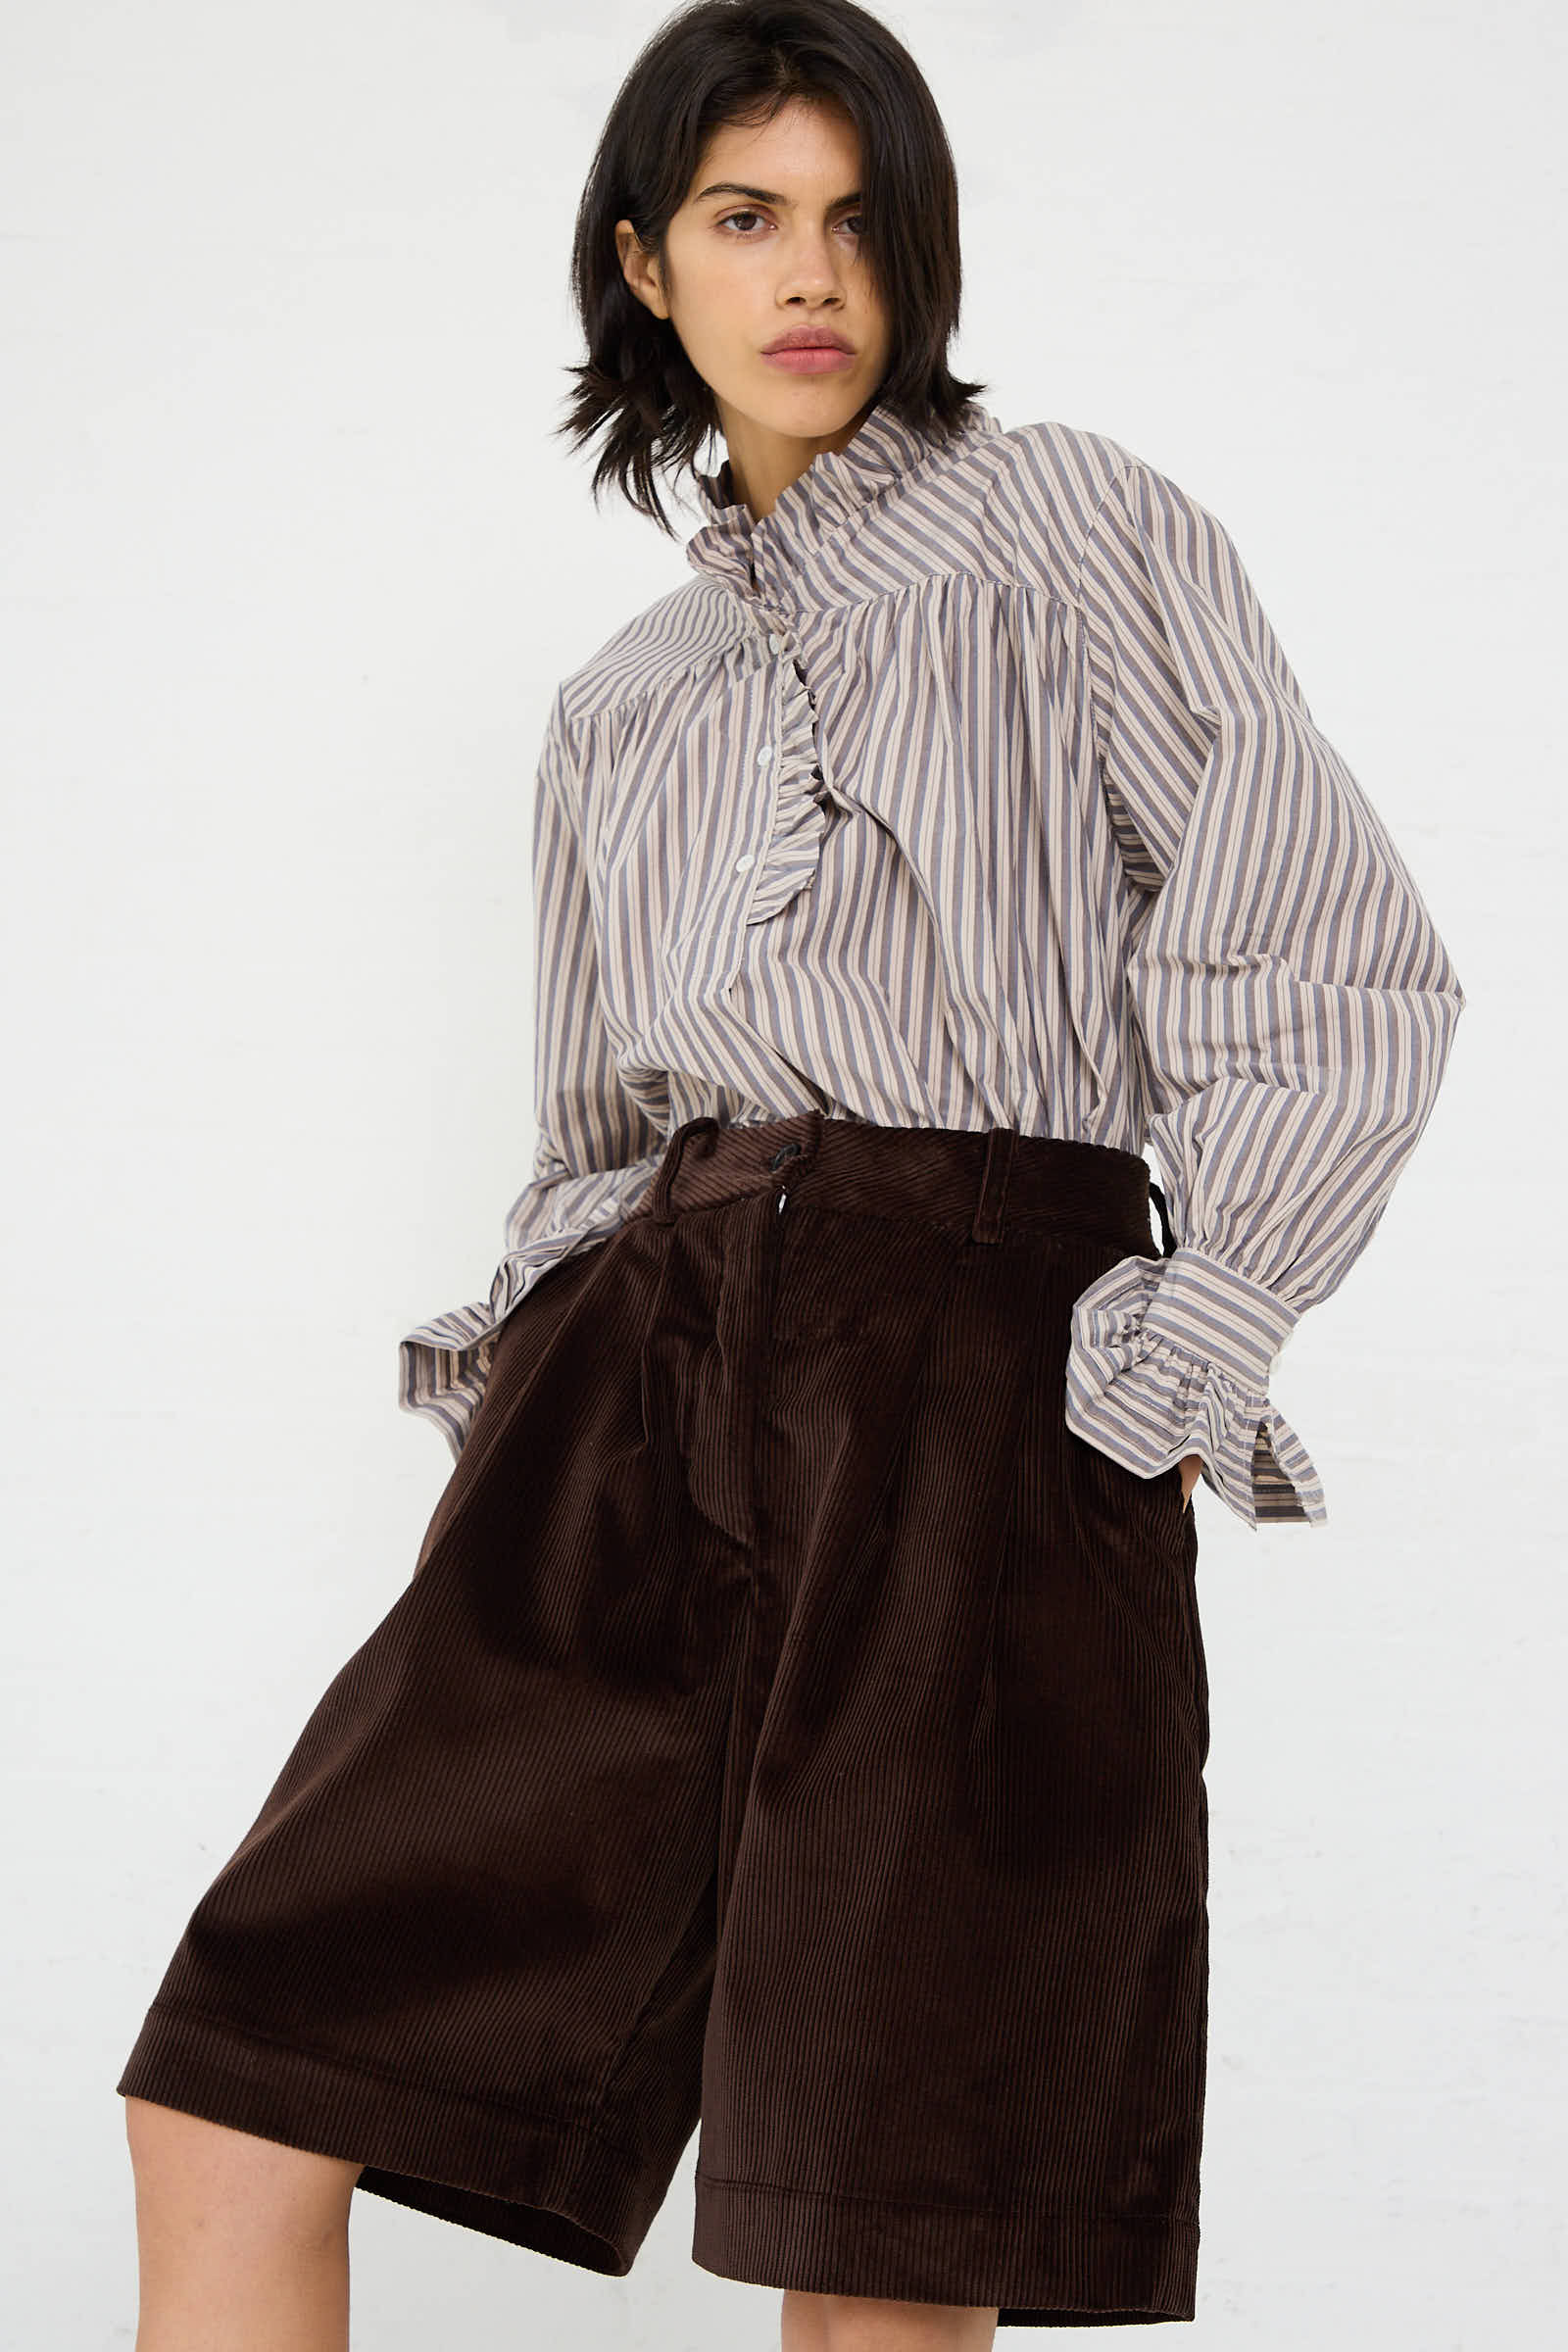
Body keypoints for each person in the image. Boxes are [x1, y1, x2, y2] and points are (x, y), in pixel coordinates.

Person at [116, 4, 1467, 2347]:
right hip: (644, 1368)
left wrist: (1170, 1348)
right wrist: (548, 1383)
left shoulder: (1065, 523)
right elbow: (588, 1135)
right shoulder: (618, 701)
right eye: (745, 218)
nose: (808, 274)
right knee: (240, 2084)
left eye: (857, 219)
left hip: (975, 1372)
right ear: (646, 265)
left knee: (873, 2216)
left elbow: (1325, 953)